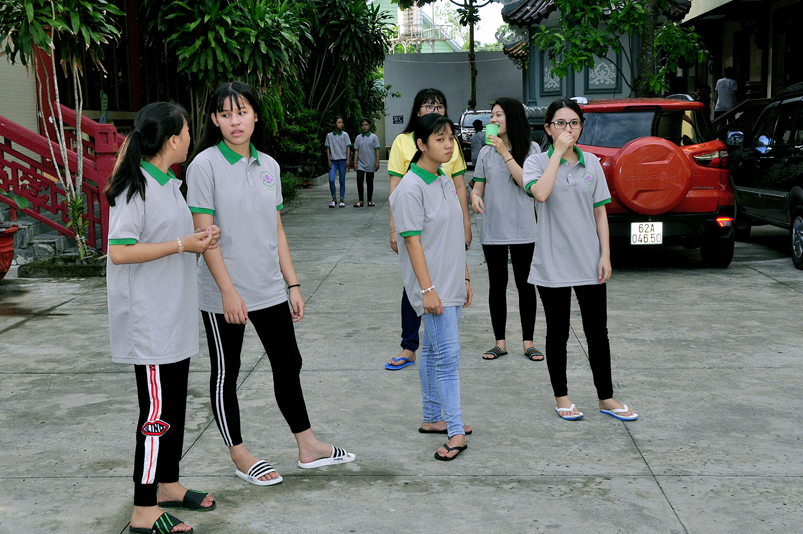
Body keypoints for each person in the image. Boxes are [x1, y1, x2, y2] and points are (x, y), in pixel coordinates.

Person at [186, 81, 355, 487]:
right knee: (227, 372)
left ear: (255, 115)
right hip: (224, 294)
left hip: (268, 288)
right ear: (214, 120)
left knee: (288, 362)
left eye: (242, 112)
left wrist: (292, 284)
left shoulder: (269, 166)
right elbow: (204, 236)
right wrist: (228, 292)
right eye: (225, 114)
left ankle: (308, 446)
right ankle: (239, 454)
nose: (235, 121)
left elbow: (276, 229)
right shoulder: (204, 165)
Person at [105, 102, 220, 534]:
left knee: (173, 405)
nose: (191, 137)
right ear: (173, 140)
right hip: (150, 321)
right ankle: (143, 508)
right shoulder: (134, 188)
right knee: (156, 413)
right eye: (187, 131)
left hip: (173, 314)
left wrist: (198, 238)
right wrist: (182, 245)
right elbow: (120, 251)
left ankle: (168, 484)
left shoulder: (169, 183)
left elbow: (170, 237)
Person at [519, 98, 637, 422]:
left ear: (581, 127)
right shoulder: (536, 162)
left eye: (573, 123)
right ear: (548, 128)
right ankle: (562, 398)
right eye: (560, 123)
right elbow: (540, 193)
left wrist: (605, 254)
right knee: (558, 333)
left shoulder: (593, 163)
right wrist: (557, 153)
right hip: (552, 262)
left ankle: (606, 398)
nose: (568, 129)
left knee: (598, 332)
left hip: (589, 261)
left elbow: (600, 212)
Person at [389, 113, 473, 460]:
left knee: (434, 353)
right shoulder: (409, 189)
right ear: (421, 145)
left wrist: (464, 276)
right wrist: (427, 291)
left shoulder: (443, 179)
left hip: (451, 283)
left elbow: (453, 234)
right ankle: (455, 432)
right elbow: (412, 243)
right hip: (432, 288)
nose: (449, 145)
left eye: (451, 138)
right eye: (440, 139)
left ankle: (432, 418)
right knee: (448, 359)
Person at [385, 88, 472, 376]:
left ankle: (433, 405)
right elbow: (396, 187)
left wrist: (465, 225)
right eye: (428, 106)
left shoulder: (445, 164)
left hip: (445, 231)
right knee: (417, 284)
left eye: (439, 105)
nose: (434, 110)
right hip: (416, 225)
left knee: (438, 350)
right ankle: (409, 344)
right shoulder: (403, 143)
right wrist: (394, 228)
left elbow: (458, 184)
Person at [470, 97, 543, 362]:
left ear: (511, 117)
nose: (493, 119)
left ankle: (528, 342)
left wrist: (504, 151)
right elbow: (479, 185)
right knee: (497, 286)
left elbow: (527, 184)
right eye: (492, 115)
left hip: (524, 229)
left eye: (498, 115)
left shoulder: (532, 149)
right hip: (494, 230)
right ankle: (499, 342)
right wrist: (475, 197)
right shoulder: (485, 153)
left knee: (526, 285)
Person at [351, 117, 380, 207]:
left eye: (366, 125)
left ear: (369, 126)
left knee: (369, 181)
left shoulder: (374, 137)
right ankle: (361, 200)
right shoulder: (358, 138)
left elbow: (377, 150)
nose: (364, 127)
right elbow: (356, 151)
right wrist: (355, 162)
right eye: (363, 125)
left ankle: (370, 200)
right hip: (361, 163)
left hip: (371, 163)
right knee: (359, 180)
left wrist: (377, 162)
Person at [325, 116, 351, 208]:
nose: (341, 124)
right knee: (331, 179)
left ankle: (342, 199)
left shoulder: (345, 135)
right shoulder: (329, 136)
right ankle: (334, 198)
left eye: (341, 122)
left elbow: (348, 147)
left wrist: (348, 159)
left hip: (342, 160)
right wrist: (328, 160)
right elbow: (328, 148)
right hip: (333, 160)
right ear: (334, 124)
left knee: (342, 180)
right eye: (339, 122)